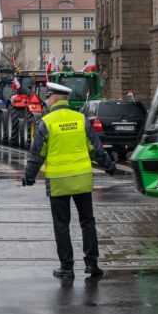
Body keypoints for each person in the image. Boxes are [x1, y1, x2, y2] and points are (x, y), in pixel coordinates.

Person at [23, 82, 116, 278]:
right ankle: (92, 265)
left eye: (49, 98)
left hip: (59, 182)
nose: (47, 101)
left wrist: (29, 177)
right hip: (82, 180)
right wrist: (109, 165)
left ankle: (67, 267)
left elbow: (37, 154)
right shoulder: (80, 119)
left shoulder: (46, 123)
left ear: (55, 99)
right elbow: (95, 148)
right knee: (87, 222)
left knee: (61, 224)